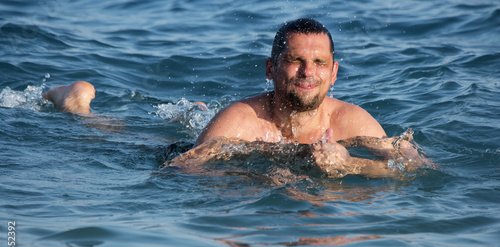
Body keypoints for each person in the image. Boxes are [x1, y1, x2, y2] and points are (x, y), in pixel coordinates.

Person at [43, 18, 430, 178]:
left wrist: (351, 167)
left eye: (318, 62)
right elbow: (181, 171)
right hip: (196, 148)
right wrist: (257, 176)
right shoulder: (244, 119)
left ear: (334, 72)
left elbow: (417, 166)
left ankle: (194, 116)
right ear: (270, 68)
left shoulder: (351, 122)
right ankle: (76, 106)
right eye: (295, 61)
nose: (307, 72)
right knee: (122, 139)